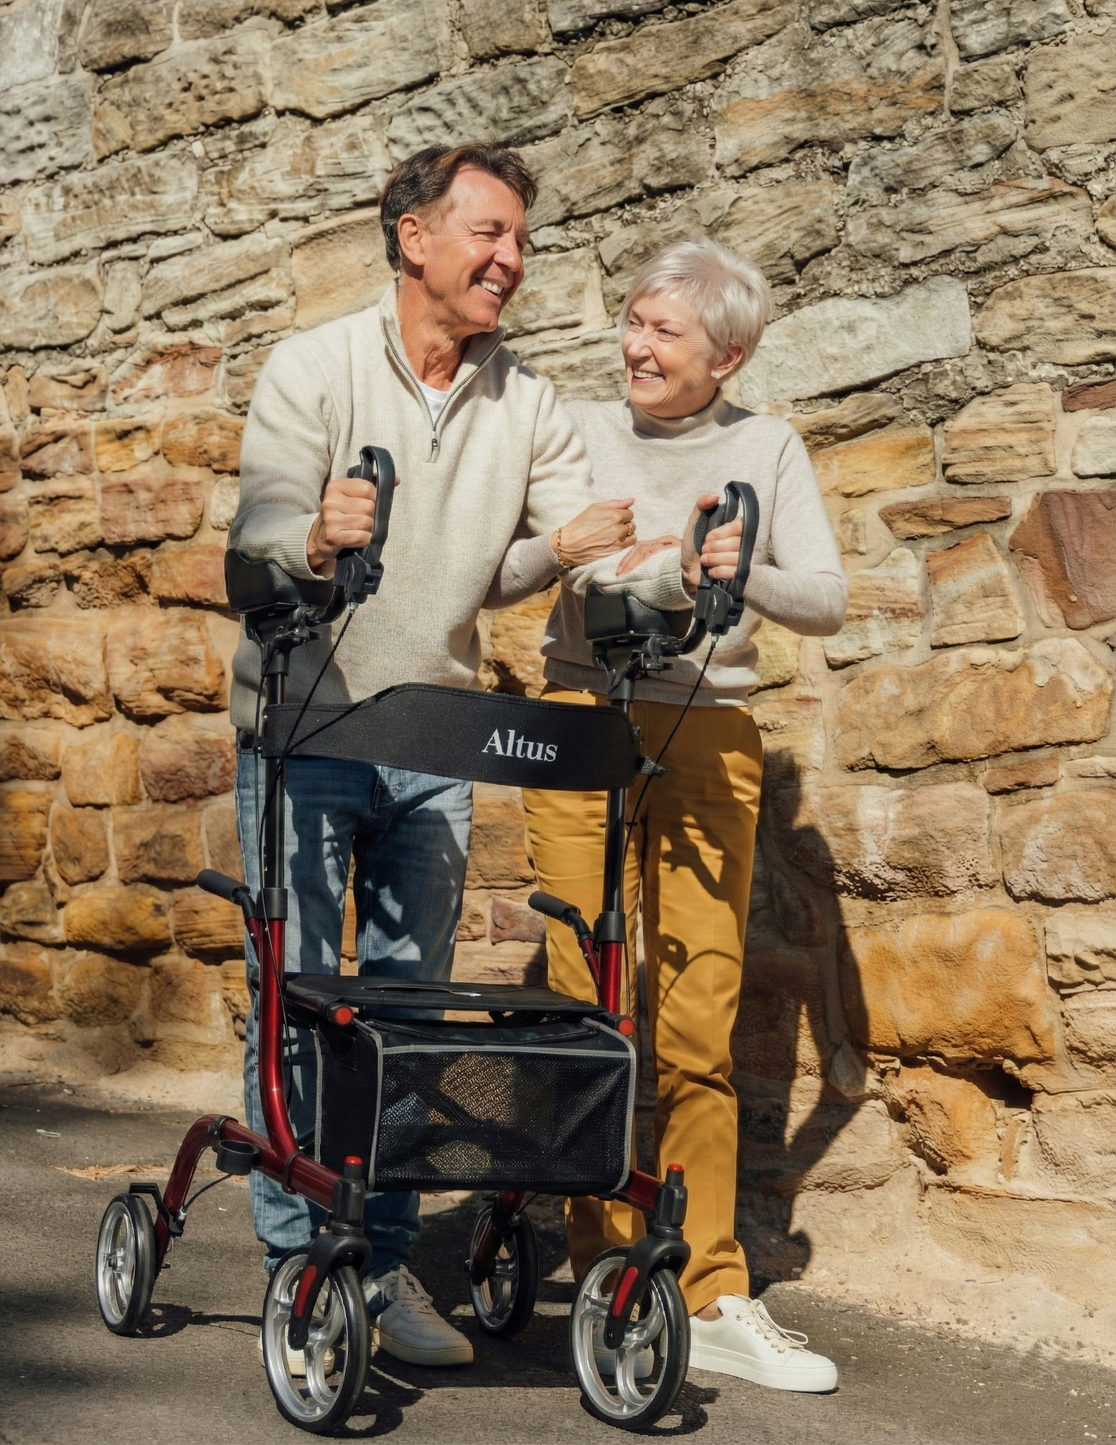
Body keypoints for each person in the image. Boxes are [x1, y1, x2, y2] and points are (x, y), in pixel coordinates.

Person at [227, 144, 657, 1368]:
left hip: (432, 736)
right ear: (413, 236)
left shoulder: (525, 400)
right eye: (488, 232)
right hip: (308, 724)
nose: (509, 260)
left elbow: (529, 562)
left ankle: (378, 1264)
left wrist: (568, 550)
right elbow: (257, 537)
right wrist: (311, 534)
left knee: (412, 1015)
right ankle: (296, 1262)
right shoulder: (312, 367)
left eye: (520, 239)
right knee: (302, 999)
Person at [522, 237, 850, 1391]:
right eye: (630, 321)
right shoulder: (571, 427)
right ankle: (601, 1265)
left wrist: (737, 566)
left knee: (695, 1022)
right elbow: (578, 582)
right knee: (580, 1000)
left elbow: (825, 597)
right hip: (581, 715)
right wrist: (669, 569)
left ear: (728, 354)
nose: (635, 346)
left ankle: (707, 1286)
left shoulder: (765, 443)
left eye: (663, 331)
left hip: (708, 727)